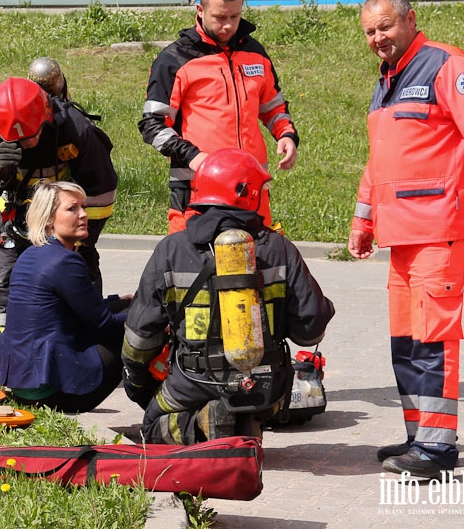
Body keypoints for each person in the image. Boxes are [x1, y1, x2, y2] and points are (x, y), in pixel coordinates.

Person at [348, 0, 464, 479]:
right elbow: (380, 160)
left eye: (385, 27)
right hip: (399, 232)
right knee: (405, 339)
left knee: (433, 337)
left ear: (411, 18)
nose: (378, 38)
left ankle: (437, 449)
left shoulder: (444, 65)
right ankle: (419, 436)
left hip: (438, 226)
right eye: (370, 31)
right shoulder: (387, 80)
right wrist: (364, 221)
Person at [123, 148, 333, 444]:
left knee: (152, 427)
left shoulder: (171, 250)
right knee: (258, 395)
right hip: (265, 385)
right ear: (248, 194)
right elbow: (310, 331)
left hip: (194, 382)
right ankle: (249, 419)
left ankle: (202, 424)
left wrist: (136, 379)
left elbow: (141, 335)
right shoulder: (279, 248)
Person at [139, 0, 299, 233]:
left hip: (251, 191)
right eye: (220, 17)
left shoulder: (255, 53)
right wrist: (194, 157)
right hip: (197, 193)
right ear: (200, 10)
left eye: (235, 17)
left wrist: (287, 135)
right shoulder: (174, 60)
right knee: (193, 271)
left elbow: (273, 108)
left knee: (256, 268)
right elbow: (152, 126)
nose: (228, 26)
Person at [0, 77, 118, 325]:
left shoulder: (76, 128)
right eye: (18, 139)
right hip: (11, 225)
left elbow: (103, 193)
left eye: (32, 135)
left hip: (63, 229)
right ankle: (8, 344)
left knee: (79, 280)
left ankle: (85, 346)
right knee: (7, 286)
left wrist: (80, 239)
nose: (26, 143)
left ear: (47, 115)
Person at [0, 182, 128, 413]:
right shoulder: (66, 261)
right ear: (49, 219)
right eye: (72, 209)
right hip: (55, 394)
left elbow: (77, 308)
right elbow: (104, 325)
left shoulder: (31, 254)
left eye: (83, 207)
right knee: (143, 329)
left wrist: (120, 302)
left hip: (22, 385)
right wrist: (146, 315)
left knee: (128, 310)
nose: (83, 215)